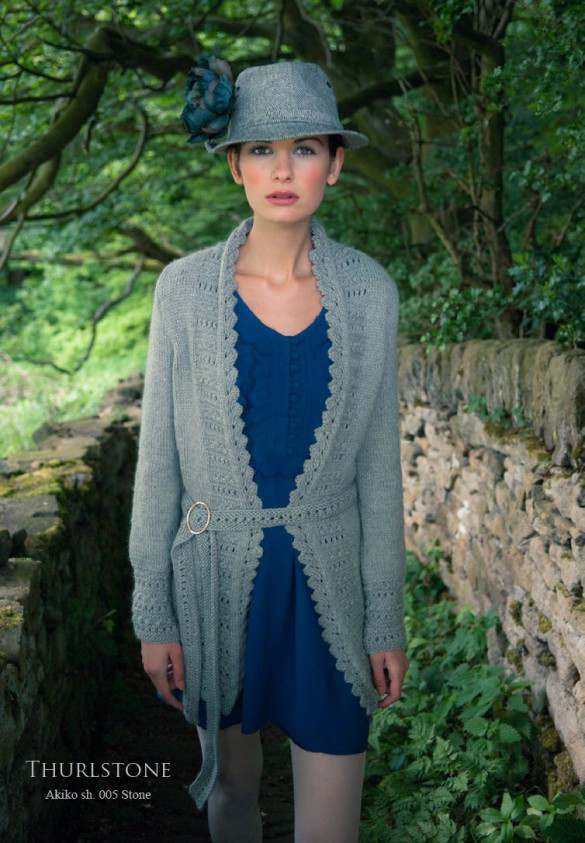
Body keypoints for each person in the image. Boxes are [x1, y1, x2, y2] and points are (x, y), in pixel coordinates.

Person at [128, 56, 409, 843]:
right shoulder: (183, 291)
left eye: (304, 148)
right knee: (232, 795)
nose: (282, 170)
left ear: (335, 164)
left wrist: (384, 617)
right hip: (216, 580)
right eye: (260, 149)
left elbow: (379, 470)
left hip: (331, 591)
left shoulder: (370, 293)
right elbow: (158, 462)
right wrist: (153, 607)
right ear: (234, 165)